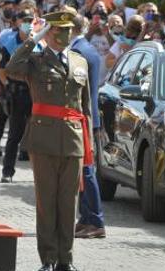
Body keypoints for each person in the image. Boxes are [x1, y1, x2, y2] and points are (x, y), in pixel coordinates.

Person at [4, 9, 92, 271]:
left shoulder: (79, 61)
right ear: (50, 32)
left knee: (68, 203)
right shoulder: (35, 61)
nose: (64, 34)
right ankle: (49, 259)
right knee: (46, 202)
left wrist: (92, 143)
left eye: (68, 29)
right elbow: (11, 68)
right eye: (59, 29)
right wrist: (34, 39)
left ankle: (66, 260)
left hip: (74, 137)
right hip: (43, 138)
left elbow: (85, 106)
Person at [67, 12, 106, 240]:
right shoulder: (87, 48)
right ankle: (86, 217)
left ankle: (95, 220)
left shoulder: (79, 51)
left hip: (82, 118)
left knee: (86, 171)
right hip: (87, 117)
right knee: (83, 171)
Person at [0, 9, 35, 183]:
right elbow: (2, 71)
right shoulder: (9, 43)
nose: (27, 24)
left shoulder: (39, 43)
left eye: (30, 21)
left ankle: (39, 173)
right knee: (14, 135)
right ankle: (7, 171)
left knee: (37, 135)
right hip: (18, 95)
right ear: (18, 23)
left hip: (36, 95)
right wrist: (9, 86)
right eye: (24, 20)